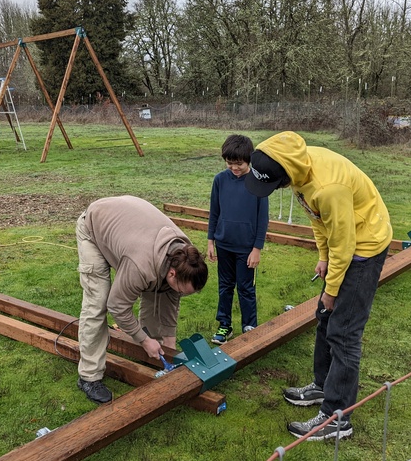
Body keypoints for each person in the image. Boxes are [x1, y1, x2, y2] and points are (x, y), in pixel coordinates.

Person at [245, 131, 392, 441]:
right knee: (326, 317)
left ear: (287, 173)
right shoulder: (299, 170)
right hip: (345, 241)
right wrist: (323, 258)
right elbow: (317, 219)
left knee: (345, 332)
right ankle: (323, 386)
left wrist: (332, 289)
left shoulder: (328, 187)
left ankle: (337, 417)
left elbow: (345, 243)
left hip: (365, 246)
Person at [75, 195, 209, 404]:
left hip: (128, 227)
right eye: (183, 290)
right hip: (94, 227)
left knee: (160, 289)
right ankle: (88, 376)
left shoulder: (183, 254)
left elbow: (169, 301)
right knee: (98, 301)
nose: (182, 294)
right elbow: (117, 306)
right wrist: (143, 339)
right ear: (172, 273)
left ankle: (153, 354)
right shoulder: (140, 265)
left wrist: (169, 342)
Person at [207, 134, 269, 344]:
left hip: (246, 248)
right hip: (224, 244)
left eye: (239, 164)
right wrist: (210, 241)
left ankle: (249, 326)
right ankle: (224, 325)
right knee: (225, 286)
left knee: (245, 288)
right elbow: (214, 212)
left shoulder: (259, 183)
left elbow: (263, 219)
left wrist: (257, 248)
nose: (234, 167)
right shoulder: (220, 180)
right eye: (230, 163)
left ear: (249, 160)